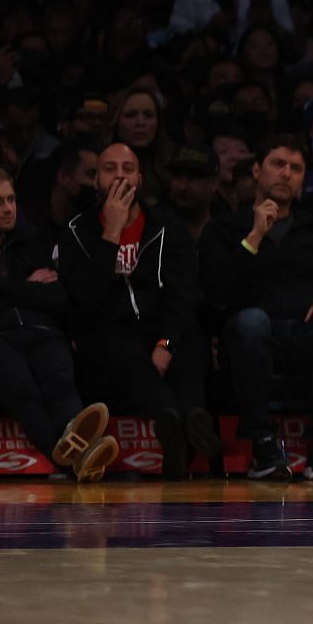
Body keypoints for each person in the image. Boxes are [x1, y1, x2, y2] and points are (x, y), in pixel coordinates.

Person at [0, 164, 120, 481]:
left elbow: (59, 297)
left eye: (11, 199)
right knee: (23, 389)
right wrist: (28, 288)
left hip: (40, 329)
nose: (8, 209)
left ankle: (79, 457)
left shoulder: (32, 241)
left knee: (60, 382)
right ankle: (74, 459)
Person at [200, 136, 313, 483]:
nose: (286, 174)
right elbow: (217, 291)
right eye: (277, 164)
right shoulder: (224, 228)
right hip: (248, 341)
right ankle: (263, 443)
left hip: (304, 334)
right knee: (252, 321)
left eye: (296, 168)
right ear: (256, 170)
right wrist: (254, 237)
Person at [59, 141, 222, 479]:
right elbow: (86, 299)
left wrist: (166, 344)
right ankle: (183, 419)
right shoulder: (76, 231)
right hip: (109, 333)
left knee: (191, 337)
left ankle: (183, 432)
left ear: (140, 178)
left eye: (127, 169)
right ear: (96, 181)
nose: (119, 175)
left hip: (160, 327)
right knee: (119, 343)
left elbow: (182, 293)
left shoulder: (166, 226)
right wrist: (111, 233)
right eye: (109, 168)